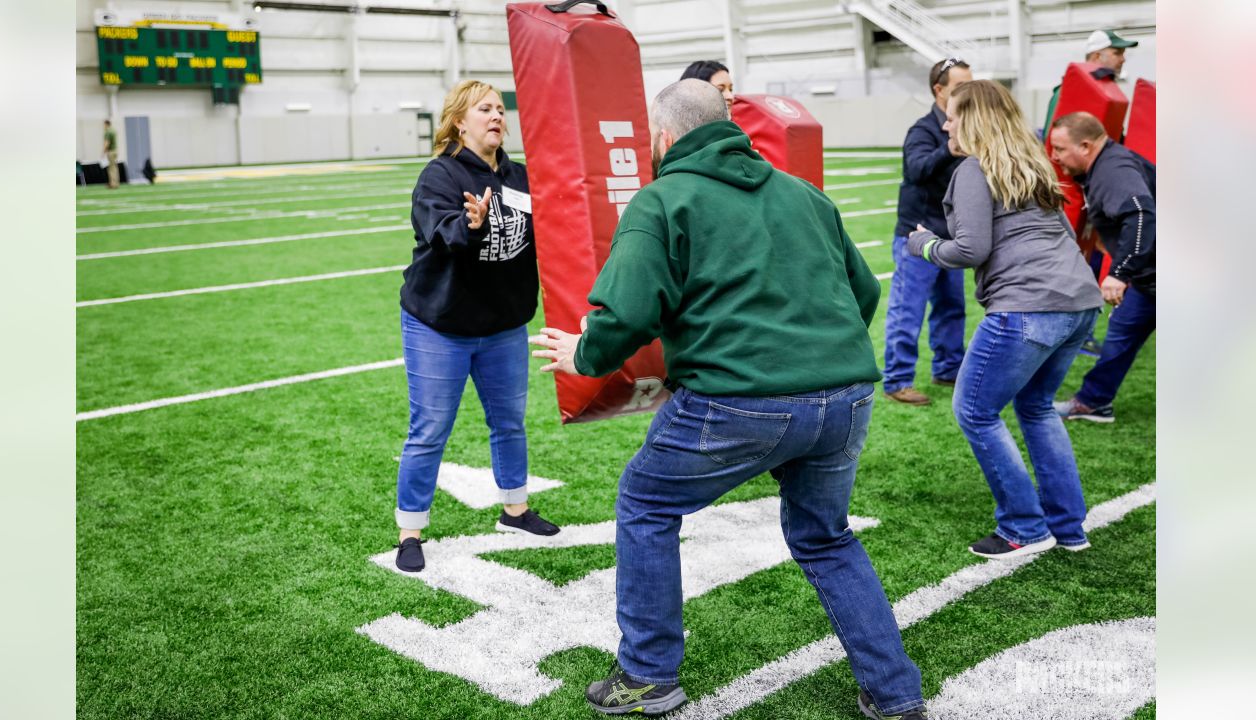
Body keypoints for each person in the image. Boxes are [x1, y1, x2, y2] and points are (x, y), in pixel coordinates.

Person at [532, 80, 927, 720]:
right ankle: (895, 691)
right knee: (826, 537)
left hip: (740, 400)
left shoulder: (662, 200)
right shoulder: (804, 195)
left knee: (646, 502)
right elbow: (864, 294)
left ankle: (648, 673)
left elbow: (628, 309)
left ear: (661, 138)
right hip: (847, 395)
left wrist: (585, 355)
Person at [905, 80, 1103, 559]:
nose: (946, 123)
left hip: (1027, 306)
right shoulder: (1033, 163)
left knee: (974, 411)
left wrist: (924, 244)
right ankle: (1068, 527)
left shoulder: (974, 169)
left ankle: (1024, 525)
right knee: (1035, 407)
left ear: (973, 120)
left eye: (952, 115)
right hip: (1077, 302)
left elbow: (971, 248)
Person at [392, 80, 559, 574]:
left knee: (509, 422)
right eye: (483, 109)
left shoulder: (521, 177)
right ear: (459, 122)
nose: (496, 115)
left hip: (504, 325)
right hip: (439, 325)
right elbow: (440, 231)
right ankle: (410, 530)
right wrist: (472, 225)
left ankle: (515, 509)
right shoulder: (439, 176)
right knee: (430, 429)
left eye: (500, 109)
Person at [1049, 112, 1156, 423]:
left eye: (1060, 149)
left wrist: (1119, 272)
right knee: (1120, 334)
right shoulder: (1103, 165)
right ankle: (1094, 402)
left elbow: (1140, 213)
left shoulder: (1112, 168)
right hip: (1148, 277)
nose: (1055, 157)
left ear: (1085, 146)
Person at [883, 57, 973, 406]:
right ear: (939, 90)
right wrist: (949, 149)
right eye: (959, 87)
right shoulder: (923, 129)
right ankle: (897, 380)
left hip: (950, 236)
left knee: (952, 308)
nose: (967, 92)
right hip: (917, 237)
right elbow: (916, 168)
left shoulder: (967, 125)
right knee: (908, 310)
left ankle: (949, 368)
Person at [103, 120, 119, 189]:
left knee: (111, 169)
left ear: (106, 124)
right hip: (115, 150)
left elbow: (107, 142)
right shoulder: (113, 130)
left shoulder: (108, 132)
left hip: (111, 151)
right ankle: (116, 183)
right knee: (114, 168)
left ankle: (113, 183)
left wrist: (103, 151)